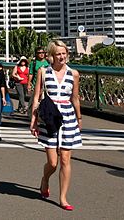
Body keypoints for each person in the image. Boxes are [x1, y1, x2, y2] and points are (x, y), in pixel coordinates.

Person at [29, 40, 82, 211]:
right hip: (49, 117)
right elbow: (37, 97)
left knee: (65, 159)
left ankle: (63, 198)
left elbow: (75, 97)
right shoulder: (43, 72)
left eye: (64, 53)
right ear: (52, 55)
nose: (61, 57)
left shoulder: (74, 74)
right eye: (58, 54)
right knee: (52, 163)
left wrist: (79, 118)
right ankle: (45, 179)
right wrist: (33, 120)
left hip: (67, 117)